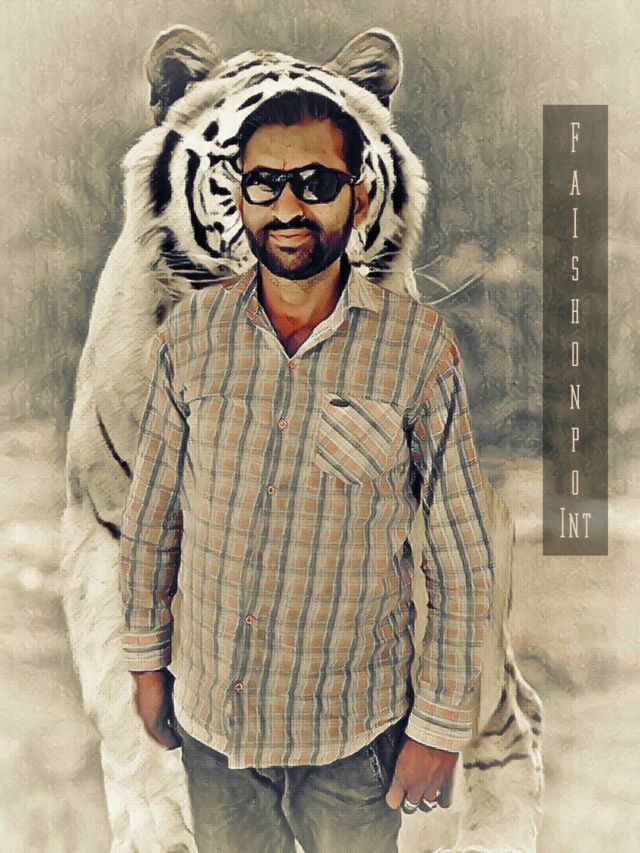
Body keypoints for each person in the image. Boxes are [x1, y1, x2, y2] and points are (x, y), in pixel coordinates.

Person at [119, 90, 494, 853]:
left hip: (353, 740)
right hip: (215, 731)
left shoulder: (419, 349)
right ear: (239, 198)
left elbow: (461, 556)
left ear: (359, 198)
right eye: (265, 183)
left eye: (316, 183)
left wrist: (439, 725)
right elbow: (153, 516)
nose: (288, 206)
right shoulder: (190, 337)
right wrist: (146, 663)